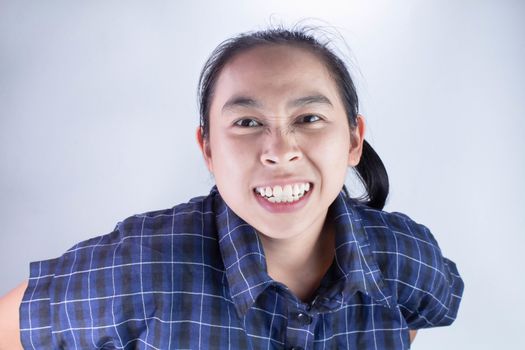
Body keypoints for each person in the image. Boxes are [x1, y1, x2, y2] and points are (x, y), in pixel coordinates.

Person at [0, 26, 464, 349]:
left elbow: (418, 319)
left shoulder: (407, 256)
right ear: (207, 148)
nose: (280, 150)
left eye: (309, 118)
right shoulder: (141, 266)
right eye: (246, 122)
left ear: (354, 139)